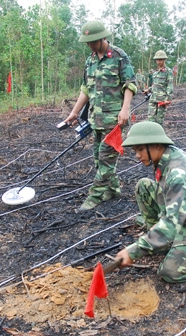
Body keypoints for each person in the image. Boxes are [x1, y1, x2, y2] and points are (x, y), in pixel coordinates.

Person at [115, 121, 186, 284]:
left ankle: (181, 246)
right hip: (182, 216)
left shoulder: (179, 174)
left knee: (170, 273)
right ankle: (158, 237)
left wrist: (133, 251)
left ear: (157, 145)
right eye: (134, 151)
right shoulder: (165, 157)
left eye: (139, 149)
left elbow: (173, 223)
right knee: (143, 186)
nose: (137, 155)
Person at [64, 21, 137, 211]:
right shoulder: (90, 60)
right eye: (87, 42)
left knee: (105, 158)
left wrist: (125, 109)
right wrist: (74, 112)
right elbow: (85, 89)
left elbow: (130, 83)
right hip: (95, 119)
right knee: (98, 157)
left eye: (92, 42)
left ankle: (94, 196)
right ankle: (113, 189)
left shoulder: (119, 56)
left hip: (114, 120)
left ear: (102, 38)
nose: (89, 45)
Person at [143, 50, 173, 125]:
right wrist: (148, 90)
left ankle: (158, 136)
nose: (158, 62)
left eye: (160, 60)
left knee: (159, 122)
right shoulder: (155, 73)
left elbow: (170, 85)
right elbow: (155, 85)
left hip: (162, 101)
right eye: (157, 60)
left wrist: (168, 99)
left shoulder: (168, 72)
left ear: (164, 60)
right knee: (150, 121)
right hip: (153, 99)